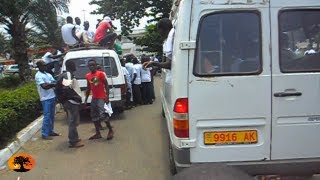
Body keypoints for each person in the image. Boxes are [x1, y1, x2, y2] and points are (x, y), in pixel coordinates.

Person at [56, 60, 84, 148]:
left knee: (74, 121)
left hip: (70, 101)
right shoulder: (67, 74)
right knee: (73, 121)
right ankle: (73, 141)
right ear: (71, 66)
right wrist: (74, 98)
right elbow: (66, 88)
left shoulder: (68, 74)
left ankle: (74, 138)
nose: (75, 66)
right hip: (71, 102)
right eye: (74, 64)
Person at [85, 59, 114, 140]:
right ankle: (98, 133)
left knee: (103, 115)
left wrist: (107, 96)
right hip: (94, 98)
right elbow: (88, 88)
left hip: (101, 97)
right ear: (88, 67)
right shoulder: (87, 76)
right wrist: (86, 99)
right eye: (90, 65)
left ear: (95, 66)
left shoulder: (100, 74)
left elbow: (106, 85)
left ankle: (110, 130)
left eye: (93, 65)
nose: (91, 67)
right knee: (94, 116)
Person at [35, 60, 60, 140]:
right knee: (47, 116)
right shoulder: (38, 75)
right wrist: (53, 84)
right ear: (39, 67)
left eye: (45, 65)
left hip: (52, 97)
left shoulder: (48, 74)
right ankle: (44, 134)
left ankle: (50, 131)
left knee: (52, 116)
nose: (45, 67)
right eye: (43, 65)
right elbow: (44, 86)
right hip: (45, 98)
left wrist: (52, 84)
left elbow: (53, 82)